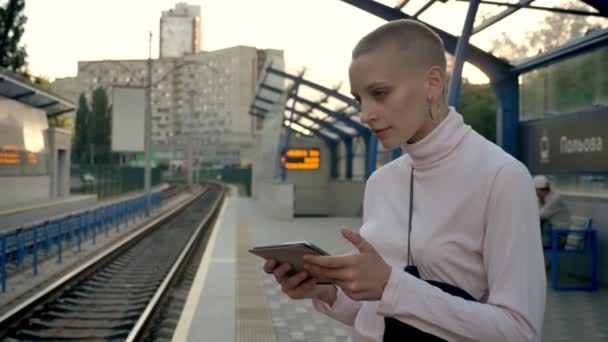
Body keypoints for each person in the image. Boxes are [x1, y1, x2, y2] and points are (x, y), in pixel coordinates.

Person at [263, 19, 546, 341]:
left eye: (379, 93)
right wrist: (326, 291)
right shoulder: (382, 183)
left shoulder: (502, 177)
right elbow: (378, 314)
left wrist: (391, 285)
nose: (365, 114)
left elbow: (519, 332)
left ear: (433, 83)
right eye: (360, 99)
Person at [534, 175, 570, 249]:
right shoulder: (541, 199)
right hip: (549, 235)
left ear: (539, 190)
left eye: (535, 190)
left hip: (558, 237)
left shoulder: (555, 199)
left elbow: (540, 215)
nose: (534, 193)